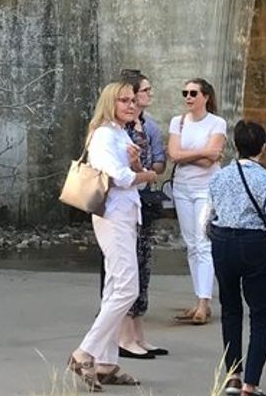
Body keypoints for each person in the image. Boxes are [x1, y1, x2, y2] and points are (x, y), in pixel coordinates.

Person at [69, 81, 160, 391]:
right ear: (110, 103)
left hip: (123, 214)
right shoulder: (105, 135)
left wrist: (136, 165)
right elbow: (119, 178)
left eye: (133, 100)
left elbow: (129, 175)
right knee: (126, 288)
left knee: (114, 286)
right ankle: (85, 351)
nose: (131, 105)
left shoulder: (120, 133)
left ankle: (106, 363)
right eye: (123, 101)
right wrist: (145, 174)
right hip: (113, 215)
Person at [208, 120, 266, 396]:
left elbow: (210, 214)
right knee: (260, 314)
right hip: (253, 245)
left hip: (222, 242)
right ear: (261, 147)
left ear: (236, 145)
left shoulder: (218, 176)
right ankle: (251, 383)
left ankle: (233, 376)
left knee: (230, 310)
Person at [166, 77, 228, 325]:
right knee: (191, 243)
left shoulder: (217, 122)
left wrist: (187, 156)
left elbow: (208, 161)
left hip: (206, 188)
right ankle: (198, 298)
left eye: (193, 93)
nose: (188, 97)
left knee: (203, 242)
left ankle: (204, 302)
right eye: (185, 93)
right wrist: (203, 152)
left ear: (206, 97)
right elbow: (174, 155)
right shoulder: (177, 122)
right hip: (182, 188)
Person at [117, 69, 167, 360]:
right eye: (144, 90)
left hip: (144, 201)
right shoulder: (115, 130)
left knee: (143, 264)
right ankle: (123, 337)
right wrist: (143, 171)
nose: (149, 95)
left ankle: (138, 333)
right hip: (122, 205)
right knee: (126, 269)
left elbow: (159, 162)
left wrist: (147, 171)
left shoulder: (150, 127)